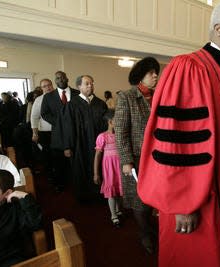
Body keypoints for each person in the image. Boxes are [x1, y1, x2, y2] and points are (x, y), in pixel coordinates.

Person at [137, 1, 220, 266]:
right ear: (218, 29)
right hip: (209, 197)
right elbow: (177, 142)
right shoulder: (190, 68)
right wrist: (182, 204)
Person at [114, 57, 160, 254]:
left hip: (158, 157)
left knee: (156, 195)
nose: (155, 75)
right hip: (137, 157)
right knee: (139, 198)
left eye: (156, 72)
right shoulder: (127, 97)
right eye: (151, 73)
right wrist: (126, 160)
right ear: (141, 76)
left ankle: (151, 226)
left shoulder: (159, 95)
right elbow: (121, 131)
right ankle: (145, 233)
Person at [62, 75, 108, 202]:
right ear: (79, 86)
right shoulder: (72, 105)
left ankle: (100, 194)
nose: (90, 85)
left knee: (99, 167)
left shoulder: (101, 104)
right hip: (79, 144)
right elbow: (68, 127)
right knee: (80, 169)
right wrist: (67, 146)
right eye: (87, 83)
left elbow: (106, 126)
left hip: (98, 144)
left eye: (92, 83)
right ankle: (84, 197)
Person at [0, 169, 42, 266]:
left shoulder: (15, 209)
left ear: (6, 193)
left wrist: (25, 197)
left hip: (10, 259)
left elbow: (35, 224)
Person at [41, 71, 79, 192]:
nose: (61, 79)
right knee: (58, 162)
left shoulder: (77, 93)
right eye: (58, 78)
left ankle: (77, 183)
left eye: (63, 77)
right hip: (58, 134)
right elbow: (44, 113)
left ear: (67, 79)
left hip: (76, 133)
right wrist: (59, 123)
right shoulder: (48, 96)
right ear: (55, 81)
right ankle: (60, 184)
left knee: (77, 160)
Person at [94, 110, 123, 227]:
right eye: (118, 120)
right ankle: (114, 215)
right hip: (109, 168)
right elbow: (97, 156)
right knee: (111, 190)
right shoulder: (102, 136)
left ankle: (118, 210)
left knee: (119, 190)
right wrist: (96, 173)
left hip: (119, 166)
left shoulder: (120, 135)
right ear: (111, 122)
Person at [31, 79, 54, 177]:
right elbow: (34, 117)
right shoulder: (39, 99)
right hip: (45, 132)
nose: (48, 87)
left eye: (49, 85)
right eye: (44, 86)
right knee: (47, 154)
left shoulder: (59, 97)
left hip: (58, 131)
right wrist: (34, 133)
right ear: (41, 88)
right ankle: (49, 174)